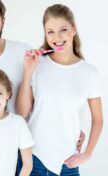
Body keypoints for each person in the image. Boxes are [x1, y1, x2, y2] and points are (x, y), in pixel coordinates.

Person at [15, 4, 103, 175]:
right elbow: (22, 112)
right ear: (45, 34)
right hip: (33, 159)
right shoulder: (37, 65)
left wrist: (87, 154)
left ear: (74, 30)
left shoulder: (89, 73)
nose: (57, 37)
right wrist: (27, 72)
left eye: (63, 29)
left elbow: (98, 119)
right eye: (50, 32)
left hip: (67, 162)